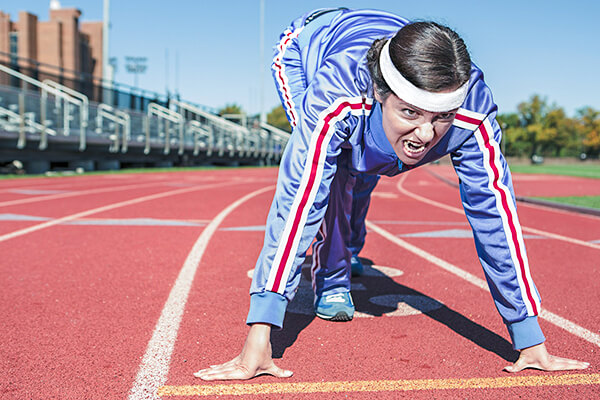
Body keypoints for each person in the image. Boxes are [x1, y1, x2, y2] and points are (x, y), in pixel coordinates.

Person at [195, 8, 589, 380]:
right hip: (308, 47)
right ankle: (332, 278)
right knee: (333, 173)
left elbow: (496, 217)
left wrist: (529, 337)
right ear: (382, 93)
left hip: (384, 48)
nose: (425, 135)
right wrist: (260, 335)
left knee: (368, 167)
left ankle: (350, 243)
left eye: (441, 118)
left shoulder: (473, 112)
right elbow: (298, 201)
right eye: (411, 113)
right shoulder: (337, 94)